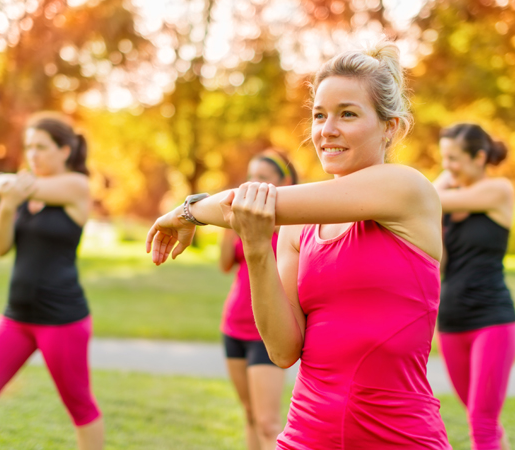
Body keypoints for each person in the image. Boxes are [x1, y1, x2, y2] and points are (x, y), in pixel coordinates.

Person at [147, 40, 451, 449]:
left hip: (399, 437)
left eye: (348, 114)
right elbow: (282, 350)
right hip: (306, 436)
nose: (327, 130)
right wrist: (257, 251)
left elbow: (255, 201)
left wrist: (185, 213)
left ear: (389, 127)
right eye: (319, 115)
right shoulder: (297, 228)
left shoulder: (406, 189)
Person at [0, 113, 103, 450]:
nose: (33, 155)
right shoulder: (24, 192)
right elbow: (0, 248)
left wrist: (6, 186)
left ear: (65, 150)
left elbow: (4, 182)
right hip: (17, 317)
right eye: (28, 147)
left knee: (79, 406)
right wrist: (8, 206)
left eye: (41, 147)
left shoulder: (75, 186)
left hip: (62, 319)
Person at [433, 123, 515, 450]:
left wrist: (438, 187)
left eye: (453, 158)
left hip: (492, 320)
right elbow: (438, 265)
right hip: (452, 323)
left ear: (479, 157)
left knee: (481, 423)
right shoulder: (447, 204)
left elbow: (424, 197)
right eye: (444, 158)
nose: (447, 167)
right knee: (483, 419)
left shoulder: (499, 191)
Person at [219, 150, 297, 450]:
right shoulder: (245, 221)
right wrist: (229, 228)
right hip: (233, 326)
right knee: (250, 415)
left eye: (263, 178)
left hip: (266, 333)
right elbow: (225, 265)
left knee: (268, 423)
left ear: (284, 182)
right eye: (251, 176)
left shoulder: (290, 227)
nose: (254, 184)